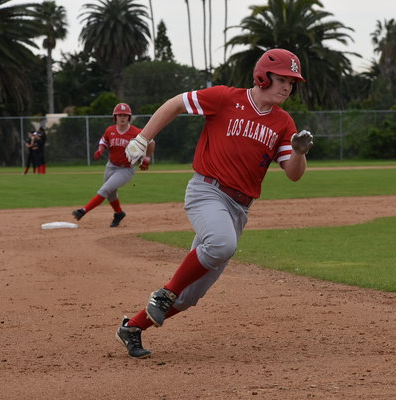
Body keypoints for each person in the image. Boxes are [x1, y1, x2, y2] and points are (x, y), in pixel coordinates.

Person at [115, 48, 313, 359]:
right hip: (207, 191)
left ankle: (132, 327)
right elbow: (176, 103)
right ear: (263, 75)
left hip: (238, 209)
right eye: (282, 79)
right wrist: (143, 138)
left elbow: (293, 175)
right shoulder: (225, 98)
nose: (288, 86)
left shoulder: (283, 123)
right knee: (221, 244)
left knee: (190, 295)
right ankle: (165, 293)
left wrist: (299, 152)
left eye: (292, 82)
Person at [71, 103, 155, 227]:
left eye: (125, 115)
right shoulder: (110, 130)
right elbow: (104, 140)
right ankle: (119, 213)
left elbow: (151, 142)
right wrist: (100, 150)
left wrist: (147, 158)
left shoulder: (137, 132)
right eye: (119, 115)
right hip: (110, 166)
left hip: (126, 169)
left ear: (129, 117)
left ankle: (83, 211)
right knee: (111, 193)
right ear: (115, 117)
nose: (122, 117)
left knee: (105, 190)